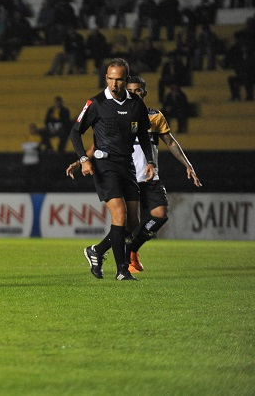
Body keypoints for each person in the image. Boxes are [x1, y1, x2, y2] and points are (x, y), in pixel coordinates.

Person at [67, 76, 201, 272]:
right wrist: (80, 161)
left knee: (160, 215)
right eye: (131, 91)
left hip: (149, 175)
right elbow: (98, 145)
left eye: (138, 91)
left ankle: (118, 249)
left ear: (144, 93)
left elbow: (170, 142)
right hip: (128, 174)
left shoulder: (154, 116)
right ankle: (120, 258)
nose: (133, 94)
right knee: (128, 222)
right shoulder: (119, 113)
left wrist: (187, 165)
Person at [69, 58, 156, 281]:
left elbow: (144, 136)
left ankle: (96, 251)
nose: (113, 84)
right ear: (106, 78)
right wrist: (83, 160)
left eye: (118, 80)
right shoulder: (96, 103)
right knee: (119, 213)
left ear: (126, 80)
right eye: (110, 79)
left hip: (126, 164)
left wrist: (150, 161)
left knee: (133, 222)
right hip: (104, 164)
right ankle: (122, 270)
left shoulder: (136, 104)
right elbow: (75, 132)